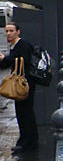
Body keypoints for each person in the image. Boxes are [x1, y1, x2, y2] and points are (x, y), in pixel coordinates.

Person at [0, 21, 39, 153]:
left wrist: (4, 58)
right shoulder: (15, 45)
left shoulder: (22, 44)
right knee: (22, 112)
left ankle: (28, 142)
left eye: (11, 31)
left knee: (25, 112)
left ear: (18, 31)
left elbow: (22, 60)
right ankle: (27, 140)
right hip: (22, 82)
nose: (8, 34)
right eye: (7, 31)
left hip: (25, 83)